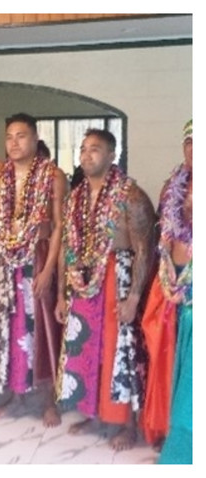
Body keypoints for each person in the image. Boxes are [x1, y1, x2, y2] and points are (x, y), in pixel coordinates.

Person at [55, 128, 156, 451]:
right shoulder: (76, 196)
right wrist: (61, 293)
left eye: (95, 149)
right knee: (87, 349)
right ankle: (93, 412)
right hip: (82, 282)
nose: (87, 155)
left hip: (120, 278)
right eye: (83, 149)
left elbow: (145, 248)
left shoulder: (131, 195)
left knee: (120, 352)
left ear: (112, 155)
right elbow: (67, 246)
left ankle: (128, 424)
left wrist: (135, 297)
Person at [0, 112, 67, 426]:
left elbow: (59, 226)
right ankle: (15, 393)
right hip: (3, 260)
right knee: (8, 327)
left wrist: (47, 272)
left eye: (21, 136)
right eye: (9, 137)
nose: (14, 143)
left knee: (41, 328)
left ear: (34, 138)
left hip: (38, 256)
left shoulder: (52, 174)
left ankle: (48, 399)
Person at [141, 120, 192, 463]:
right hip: (173, 284)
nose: (194, 149)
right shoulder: (173, 185)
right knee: (167, 358)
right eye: (189, 141)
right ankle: (166, 427)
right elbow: (165, 237)